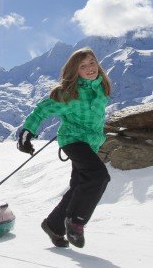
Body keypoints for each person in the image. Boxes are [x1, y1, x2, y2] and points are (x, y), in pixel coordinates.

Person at [17, 47, 112, 248]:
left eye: (92, 63)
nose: (89, 68)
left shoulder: (101, 87)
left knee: (80, 185)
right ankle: (77, 222)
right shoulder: (68, 93)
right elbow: (41, 110)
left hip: (91, 143)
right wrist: (27, 133)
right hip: (73, 141)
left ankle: (54, 225)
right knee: (99, 176)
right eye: (83, 66)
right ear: (74, 70)